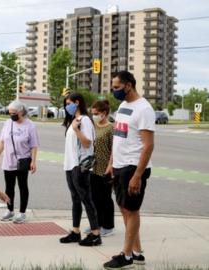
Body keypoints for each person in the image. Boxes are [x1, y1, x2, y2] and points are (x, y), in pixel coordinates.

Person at [103, 71, 155, 269]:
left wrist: (138, 175)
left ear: (129, 85)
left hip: (133, 167)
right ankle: (137, 252)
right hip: (119, 165)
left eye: (116, 87)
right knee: (125, 209)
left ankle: (126, 256)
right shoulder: (124, 105)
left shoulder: (144, 109)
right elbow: (119, 137)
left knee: (131, 210)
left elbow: (148, 145)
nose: (113, 91)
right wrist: (111, 163)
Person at [59, 92, 101, 247]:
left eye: (69, 103)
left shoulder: (85, 121)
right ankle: (75, 232)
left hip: (80, 166)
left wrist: (77, 130)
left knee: (86, 199)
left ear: (77, 102)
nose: (67, 106)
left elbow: (88, 143)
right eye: (66, 104)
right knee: (75, 199)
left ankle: (96, 234)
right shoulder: (73, 120)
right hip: (70, 165)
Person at [0, 100, 39, 224]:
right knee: (9, 187)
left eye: (13, 113)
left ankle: (22, 213)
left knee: (22, 186)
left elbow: (34, 146)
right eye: (9, 113)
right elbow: (2, 141)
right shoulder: (8, 123)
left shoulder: (30, 125)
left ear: (20, 112)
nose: (11, 115)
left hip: (23, 161)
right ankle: (10, 210)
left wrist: (33, 161)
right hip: (8, 160)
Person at [88, 100, 115, 237]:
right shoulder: (93, 126)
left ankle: (108, 226)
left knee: (105, 198)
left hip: (106, 169)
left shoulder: (111, 128)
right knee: (94, 197)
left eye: (96, 113)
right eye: (92, 113)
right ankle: (96, 224)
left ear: (104, 113)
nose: (94, 116)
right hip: (93, 167)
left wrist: (110, 167)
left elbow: (114, 150)